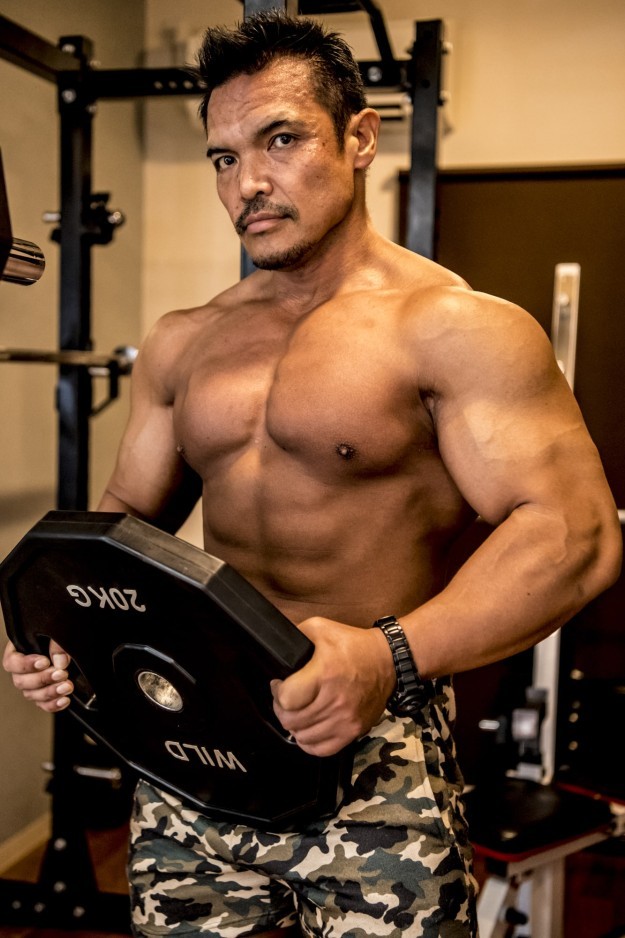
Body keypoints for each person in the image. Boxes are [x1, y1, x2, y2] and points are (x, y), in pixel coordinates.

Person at [3, 11, 621, 938]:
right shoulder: (184, 341)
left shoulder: (455, 329)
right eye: (223, 158)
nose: (247, 181)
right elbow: (124, 522)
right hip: (196, 742)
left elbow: (573, 534)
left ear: (360, 137)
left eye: (281, 139)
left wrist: (384, 656)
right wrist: (62, 629)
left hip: (373, 744)